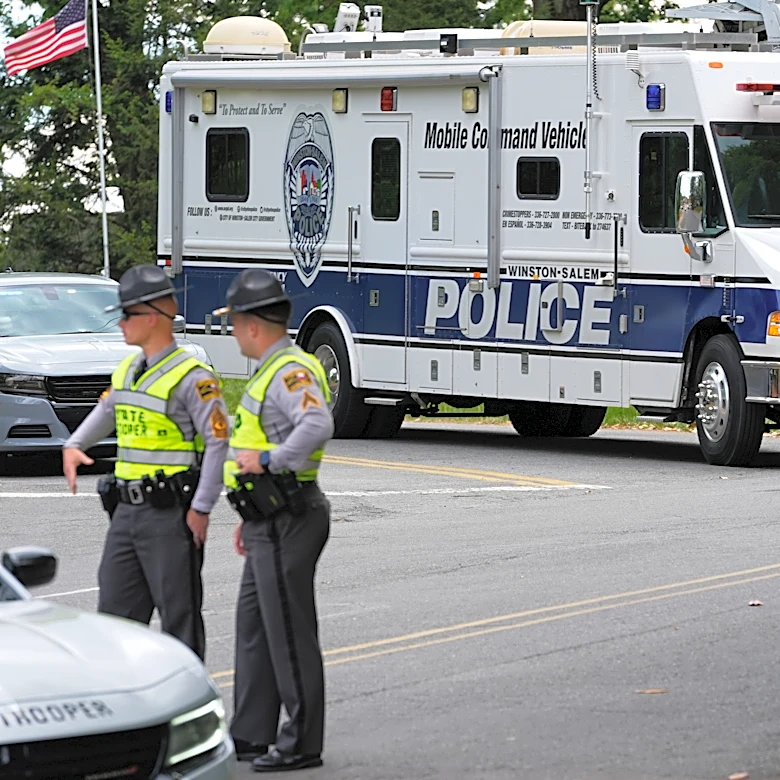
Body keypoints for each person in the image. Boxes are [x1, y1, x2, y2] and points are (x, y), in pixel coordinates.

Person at [62, 264, 229, 662]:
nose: (120, 323)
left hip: (170, 515)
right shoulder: (128, 369)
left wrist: (202, 508)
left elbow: (218, 441)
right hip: (125, 515)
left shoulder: (192, 377)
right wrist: (74, 444)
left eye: (126, 314)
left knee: (179, 620)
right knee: (114, 618)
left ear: (153, 316)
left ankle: (185, 698)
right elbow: (107, 410)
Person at [216, 269, 334, 772]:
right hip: (267, 516)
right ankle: (250, 733)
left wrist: (268, 462)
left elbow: (317, 423)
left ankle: (302, 741)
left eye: (235, 322)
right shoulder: (270, 370)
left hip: (290, 515)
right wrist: (249, 513)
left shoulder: (290, 371)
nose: (233, 332)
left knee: (287, 630)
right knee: (255, 626)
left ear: (253, 324)